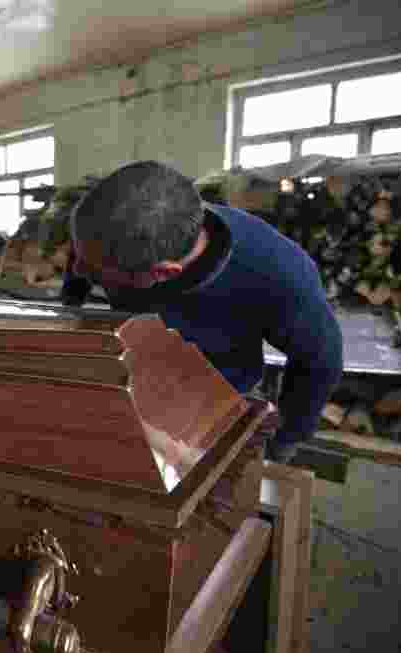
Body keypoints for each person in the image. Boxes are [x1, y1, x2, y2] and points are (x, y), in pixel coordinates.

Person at [61, 160, 343, 464]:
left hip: (213, 396)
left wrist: (286, 441)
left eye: (94, 270)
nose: (78, 269)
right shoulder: (119, 232)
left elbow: (319, 363)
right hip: (134, 369)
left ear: (163, 273)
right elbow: (86, 255)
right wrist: (70, 306)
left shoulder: (281, 275)